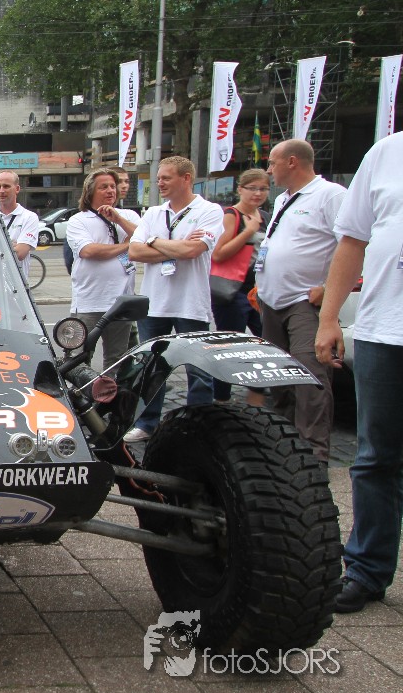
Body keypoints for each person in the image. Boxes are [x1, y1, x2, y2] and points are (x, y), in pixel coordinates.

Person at [314, 131, 403, 613]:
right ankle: (366, 571)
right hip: (383, 332)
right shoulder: (387, 152)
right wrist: (329, 318)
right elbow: (352, 241)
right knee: (375, 459)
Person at [255, 138, 346, 462]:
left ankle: (313, 457)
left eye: (272, 162)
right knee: (278, 377)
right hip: (271, 302)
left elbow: (352, 245)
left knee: (309, 377)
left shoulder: (331, 195)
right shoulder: (283, 198)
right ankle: (282, 451)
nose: (268, 170)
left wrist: (327, 287)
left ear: (292, 162)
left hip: (303, 303)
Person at [125, 156, 224, 442]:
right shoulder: (154, 213)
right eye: (159, 178)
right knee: (151, 367)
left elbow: (193, 251)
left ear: (186, 178)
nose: (160, 183)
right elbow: (134, 252)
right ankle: (147, 424)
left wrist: (154, 241)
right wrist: (176, 247)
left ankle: (197, 427)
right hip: (155, 303)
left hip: (191, 303)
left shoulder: (209, 211)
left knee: (198, 369)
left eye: (166, 178)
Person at [67, 168, 140, 369]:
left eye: (113, 186)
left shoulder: (128, 216)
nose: (110, 191)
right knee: (79, 358)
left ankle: (109, 389)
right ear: (90, 191)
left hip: (121, 302)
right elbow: (89, 251)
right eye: (104, 187)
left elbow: (146, 238)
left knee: (116, 359)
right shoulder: (78, 220)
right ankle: (84, 388)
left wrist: (119, 220)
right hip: (89, 303)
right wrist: (127, 245)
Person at [209, 168, 268, 405]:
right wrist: (249, 232)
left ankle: (256, 398)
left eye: (263, 188)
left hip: (259, 291)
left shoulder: (265, 216)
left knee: (266, 343)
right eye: (252, 188)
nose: (258, 193)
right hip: (232, 291)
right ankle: (221, 398)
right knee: (229, 347)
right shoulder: (231, 215)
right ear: (240, 189)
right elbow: (219, 254)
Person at [0, 171, 41, 282]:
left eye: (6, 186)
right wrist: (11, 245)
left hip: (16, 286)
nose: (1, 191)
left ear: (17, 189)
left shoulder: (29, 217)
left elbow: (20, 254)